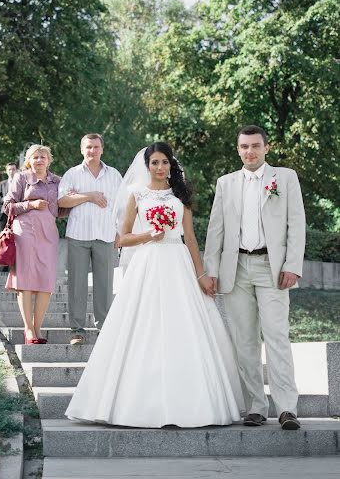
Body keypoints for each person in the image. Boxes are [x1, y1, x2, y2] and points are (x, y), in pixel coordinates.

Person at [66, 142, 244, 428]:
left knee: (182, 326)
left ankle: (192, 402)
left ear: (171, 165)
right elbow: (121, 238)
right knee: (143, 325)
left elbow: (191, 238)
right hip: (147, 264)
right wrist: (148, 234)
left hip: (178, 263)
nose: (160, 168)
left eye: (165, 162)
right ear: (147, 166)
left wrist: (201, 275)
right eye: (155, 163)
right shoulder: (136, 194)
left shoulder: (180, 196)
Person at [204, 125, 306, 431]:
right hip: (235, 269)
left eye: (255, 146)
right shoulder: (226, 183)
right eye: (244, 146)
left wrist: (293, 264)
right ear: (238, 150)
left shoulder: (284, 178)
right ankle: (256, 407)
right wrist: (211, 271)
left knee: (277, 337)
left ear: (266, 148)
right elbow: (216, 230)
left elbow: (296, 223)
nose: (250, 151)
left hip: (272, 268)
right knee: (244, 342)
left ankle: (287, 408)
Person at [58, 134, 122, 346]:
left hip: (105, 235)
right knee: (77, 284)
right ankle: (77, 331)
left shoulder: (114, 175)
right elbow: (62, 200)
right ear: (81, 149)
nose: (92, 151)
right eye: (88, 147)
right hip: (78, 235)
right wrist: (89, 195)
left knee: (105, 285)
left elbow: (122, 207)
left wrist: (121, 232)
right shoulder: (72, 174)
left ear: (102, 149)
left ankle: (104, 329)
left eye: (96, 147)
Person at [3, 145, 65, 344]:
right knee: (26, 280)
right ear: (29, 160)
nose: (39, 160)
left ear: (49, 159)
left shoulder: (58, 181)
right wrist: (31, 204)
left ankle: (38, 328)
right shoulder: (21, 178)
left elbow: (62, 209)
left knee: (46, 282)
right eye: (35, 157)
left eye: (43, 156)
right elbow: (7, 206)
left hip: (49, 233)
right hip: (25, 232)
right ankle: (28, 329)